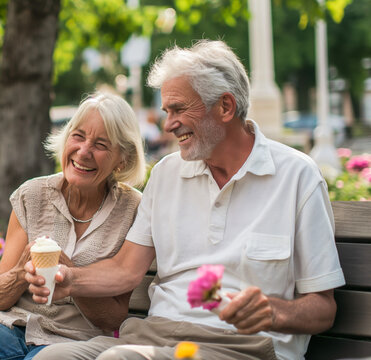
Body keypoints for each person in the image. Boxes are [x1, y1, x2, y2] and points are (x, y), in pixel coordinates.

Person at [27, 40, 345, 360]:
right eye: (167, 111)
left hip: (244, 346)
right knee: (51, 358)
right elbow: (125, 269)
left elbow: (322, 307)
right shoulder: (167, 174)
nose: (168, 124)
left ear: (225, 107)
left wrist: (275, 312)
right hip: (158, 335)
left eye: (179, 109)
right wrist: (70, 279)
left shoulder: (297, 177)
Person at [0, 92, 146, 360]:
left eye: (101, 144)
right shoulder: (33, 194)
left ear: (123, 159)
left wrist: (69, 276)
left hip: (72, 341)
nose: (83, 151)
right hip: (8, 329)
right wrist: (22, 270)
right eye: (78, 136)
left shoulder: (133, 210)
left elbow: (115, 318)